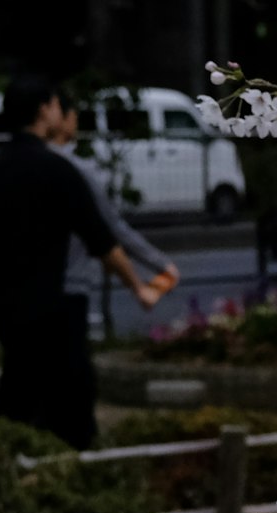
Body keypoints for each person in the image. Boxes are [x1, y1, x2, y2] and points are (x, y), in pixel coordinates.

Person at [0, 73, 161, 449]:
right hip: (52, 306)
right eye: (56, 104)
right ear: (44, 110)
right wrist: (139, 288)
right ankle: (66, 472)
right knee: (72, 399)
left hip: (3, 307)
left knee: (19, 385)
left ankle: (6, 457)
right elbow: (102, 240)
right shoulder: (59, 171)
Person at [51, 88, 180, 338]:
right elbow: (110, 228)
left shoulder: (9, 168)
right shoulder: (76, 171)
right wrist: (159, 265)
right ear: (59, 117)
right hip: (69, 285)